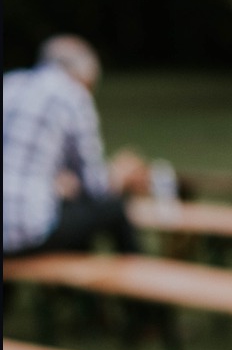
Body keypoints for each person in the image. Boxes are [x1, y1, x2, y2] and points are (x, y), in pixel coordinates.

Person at [3, 35, 148, 259]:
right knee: (114, 209)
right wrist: (121, 174)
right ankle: (141, 287)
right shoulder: (72, 95)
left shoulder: (10, 84)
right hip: (22, 234)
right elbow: (96, 187)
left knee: (71, 211)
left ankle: (70, 293)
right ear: (84, 76)